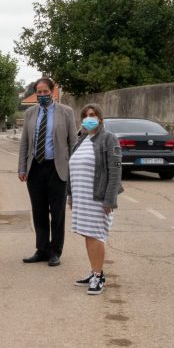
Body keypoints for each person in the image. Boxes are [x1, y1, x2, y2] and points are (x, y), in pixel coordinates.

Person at [18, 77, 78, 266]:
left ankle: (55, 251)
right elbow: (25, 143)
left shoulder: (66, 112)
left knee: (57, 212)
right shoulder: (29, 113)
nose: (42, 95)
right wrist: (22, 167)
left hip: (57, 167)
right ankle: (41, 249)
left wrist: (74, 169)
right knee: (39, 211)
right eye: (39, 92)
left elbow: (73, 143)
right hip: (35, 168)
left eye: (46, 92)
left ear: (53, 92)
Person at [67, 103, 122, 295]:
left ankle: (98, 277)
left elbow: (115, 171)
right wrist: (71, 195)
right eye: (85, 115)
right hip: (81, 197)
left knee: (96, 235)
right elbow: (71, 169)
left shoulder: (108, 139)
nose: (89, 118)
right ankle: (94, 272)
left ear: (100, 118)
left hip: (98, 198)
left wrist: (109, 199)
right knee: (88, 234)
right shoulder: (81, 140)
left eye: (93, 115)